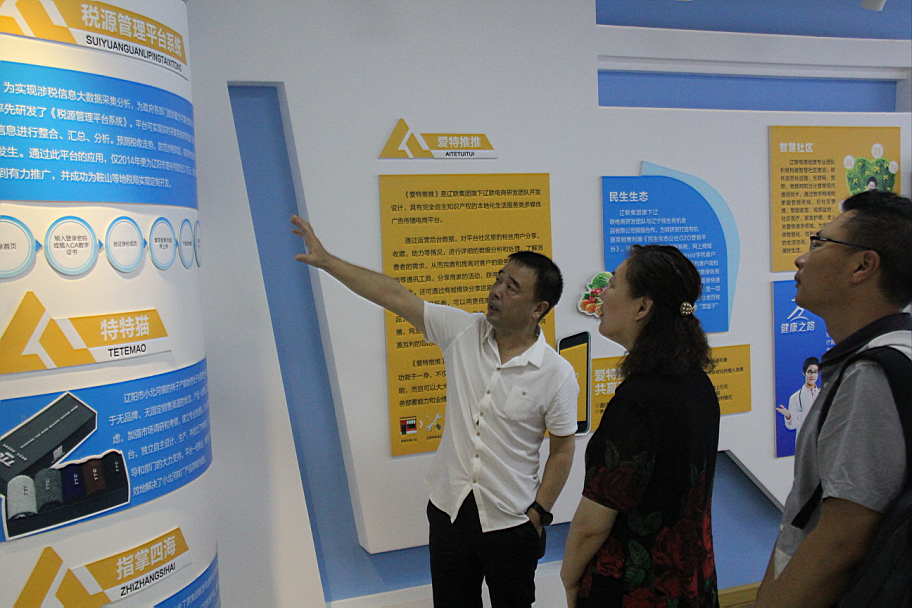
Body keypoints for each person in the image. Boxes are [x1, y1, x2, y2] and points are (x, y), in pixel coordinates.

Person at [291, 215, 578, 607]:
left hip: (512, 522)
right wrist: (328, 262)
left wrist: (540, 513)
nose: (496, 291)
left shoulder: (556, 374)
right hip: (449, 513)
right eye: (498, 280)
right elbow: (395, 296)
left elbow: (562, 449)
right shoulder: (462, 331)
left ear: (538, 308)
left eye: (512, 288)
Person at [755, 190, 912, 606]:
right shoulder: (887, 356)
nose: (801, 259)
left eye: (819, 243)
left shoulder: (871, 373)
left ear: (863, 265)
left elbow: (841, 542)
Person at [560, 245, 720, 607]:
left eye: (614, 284)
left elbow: (593, 523)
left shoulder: (638, 401)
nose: (602, 292)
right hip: (690, 582)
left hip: (637, 588)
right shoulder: (697, 382)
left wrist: (569, 578)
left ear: (642, 307)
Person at [776, 357, 820, 432]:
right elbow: (793, 426)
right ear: (804, 373)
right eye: (809, 372)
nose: (812, 375)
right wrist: (788, 416)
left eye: (815, 372)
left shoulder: (822, 395)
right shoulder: (795, 398)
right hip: (803, 438)